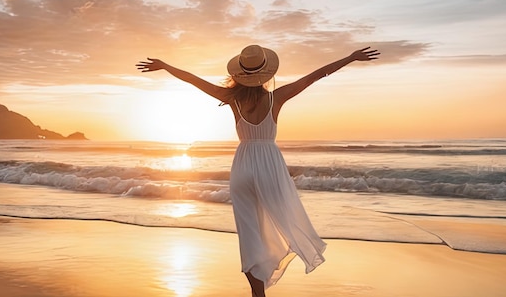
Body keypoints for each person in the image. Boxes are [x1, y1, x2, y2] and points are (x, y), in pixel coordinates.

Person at [136, 45, 380, 297]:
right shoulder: (277, 97)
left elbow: (193, 80)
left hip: (242, 167)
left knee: (250, 234)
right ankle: (269, 273)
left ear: (240, 73)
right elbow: (315, 75)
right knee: (280, 224)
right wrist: (350, 58)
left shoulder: (232, 99)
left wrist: (165, 66)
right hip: (269, 166)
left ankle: (257, 292)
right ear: (266, 72)